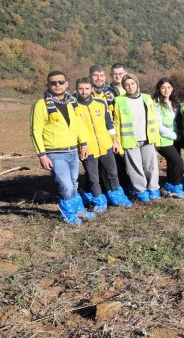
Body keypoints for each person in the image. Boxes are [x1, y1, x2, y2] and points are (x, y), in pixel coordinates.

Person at [30, 71, 93, 225]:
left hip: (73, 151)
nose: (57, 85)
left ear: (66, 84)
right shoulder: (41, 105)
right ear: (48, 85)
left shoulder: (72, 102)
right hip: (55, 153)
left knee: (73, 182)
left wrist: (83, 144)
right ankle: (68, 214)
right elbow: (35, 131)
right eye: (53, 83)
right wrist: (42, 155)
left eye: (60, 82)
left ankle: (78, 210)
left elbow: (78, 125)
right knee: (65, 185)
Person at [74, 77, 132, 210]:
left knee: (113, 174)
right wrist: (78, 148)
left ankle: (117, 197)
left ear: (91, 89)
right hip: (88, 149)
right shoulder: (73, 107)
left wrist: (114, 141)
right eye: (81, 88)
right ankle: (99, 201)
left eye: (87, 88)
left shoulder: (100, 103)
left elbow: (109, 123)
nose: (84, 91)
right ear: (76, 89)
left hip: (106, 145)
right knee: (93, 178)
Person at [113, 73, 162, 202]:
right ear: (124, 87)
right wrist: (118, 143)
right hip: (130, 140)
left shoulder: (146, 98)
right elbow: (117, 123)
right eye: (127, 84)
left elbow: (154, 119)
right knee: (135, 168)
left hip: (147, 138)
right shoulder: (119, 100)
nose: (130, 86)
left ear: (137, 84)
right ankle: (140, 191)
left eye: (132, 83)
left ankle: (153, 189)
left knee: (151, 166)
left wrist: (157, 139)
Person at [153, 78, 184, 198]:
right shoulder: (155, 104)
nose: (166, 90)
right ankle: (176, 187)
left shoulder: (175, 103)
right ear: (159, 89)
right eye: (163, 87)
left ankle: (170, 185)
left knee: (172, 163)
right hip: (163, 139)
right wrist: (174, 135)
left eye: (168, 87)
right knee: (178, 162)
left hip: (176, 139)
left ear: (172, 88)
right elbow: (158, 126)